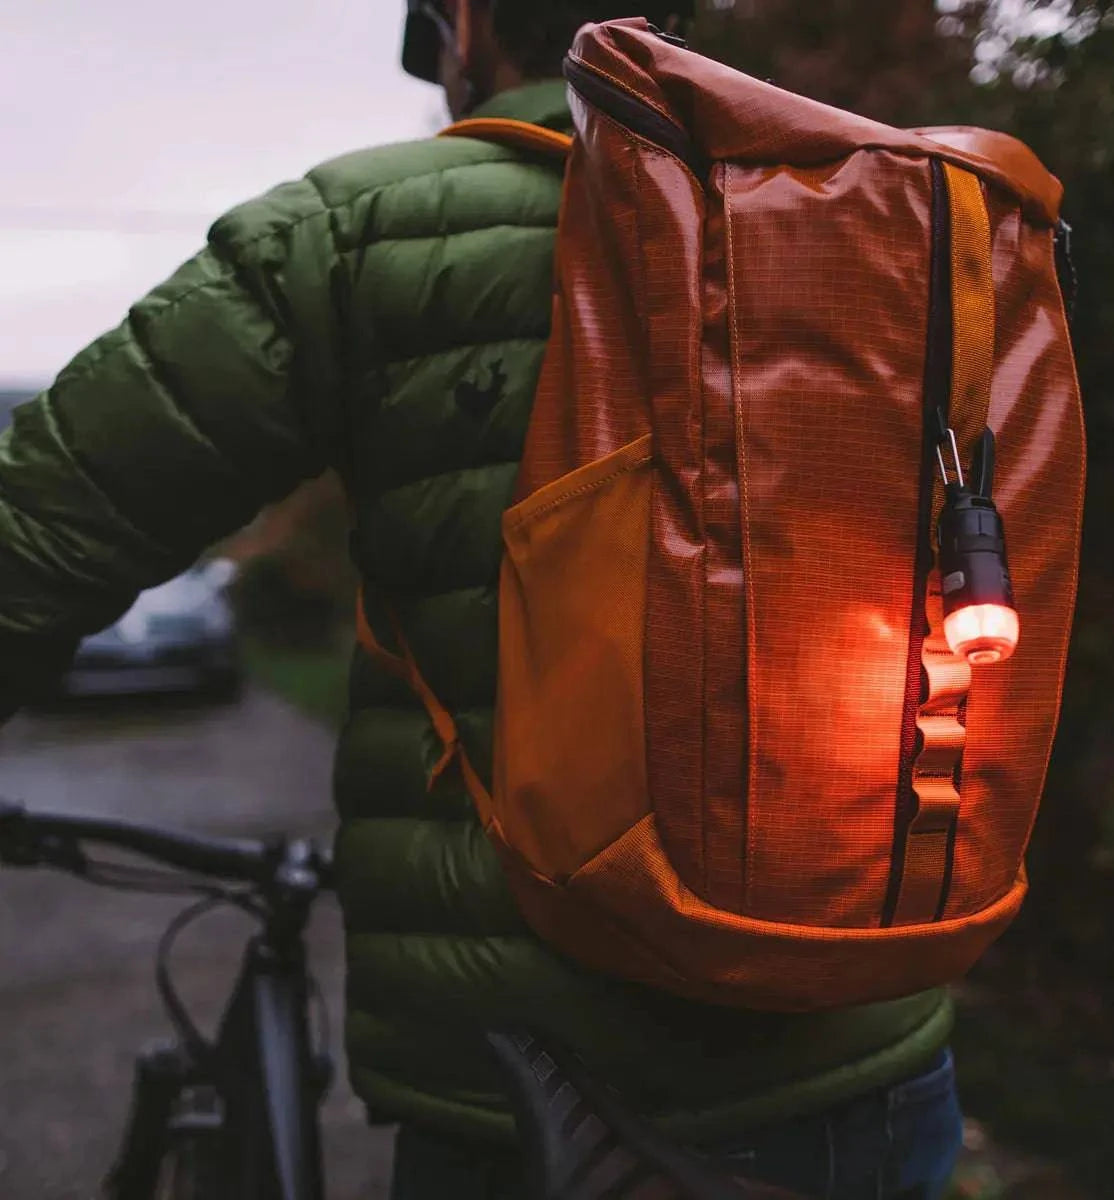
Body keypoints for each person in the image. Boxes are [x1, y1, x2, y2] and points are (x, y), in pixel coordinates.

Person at [0, 3, 963, 1196]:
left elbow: (38, 533)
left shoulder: (357, 233)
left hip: (541, 1102)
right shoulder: (881, 206)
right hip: (871, 1049)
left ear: (464, 26)